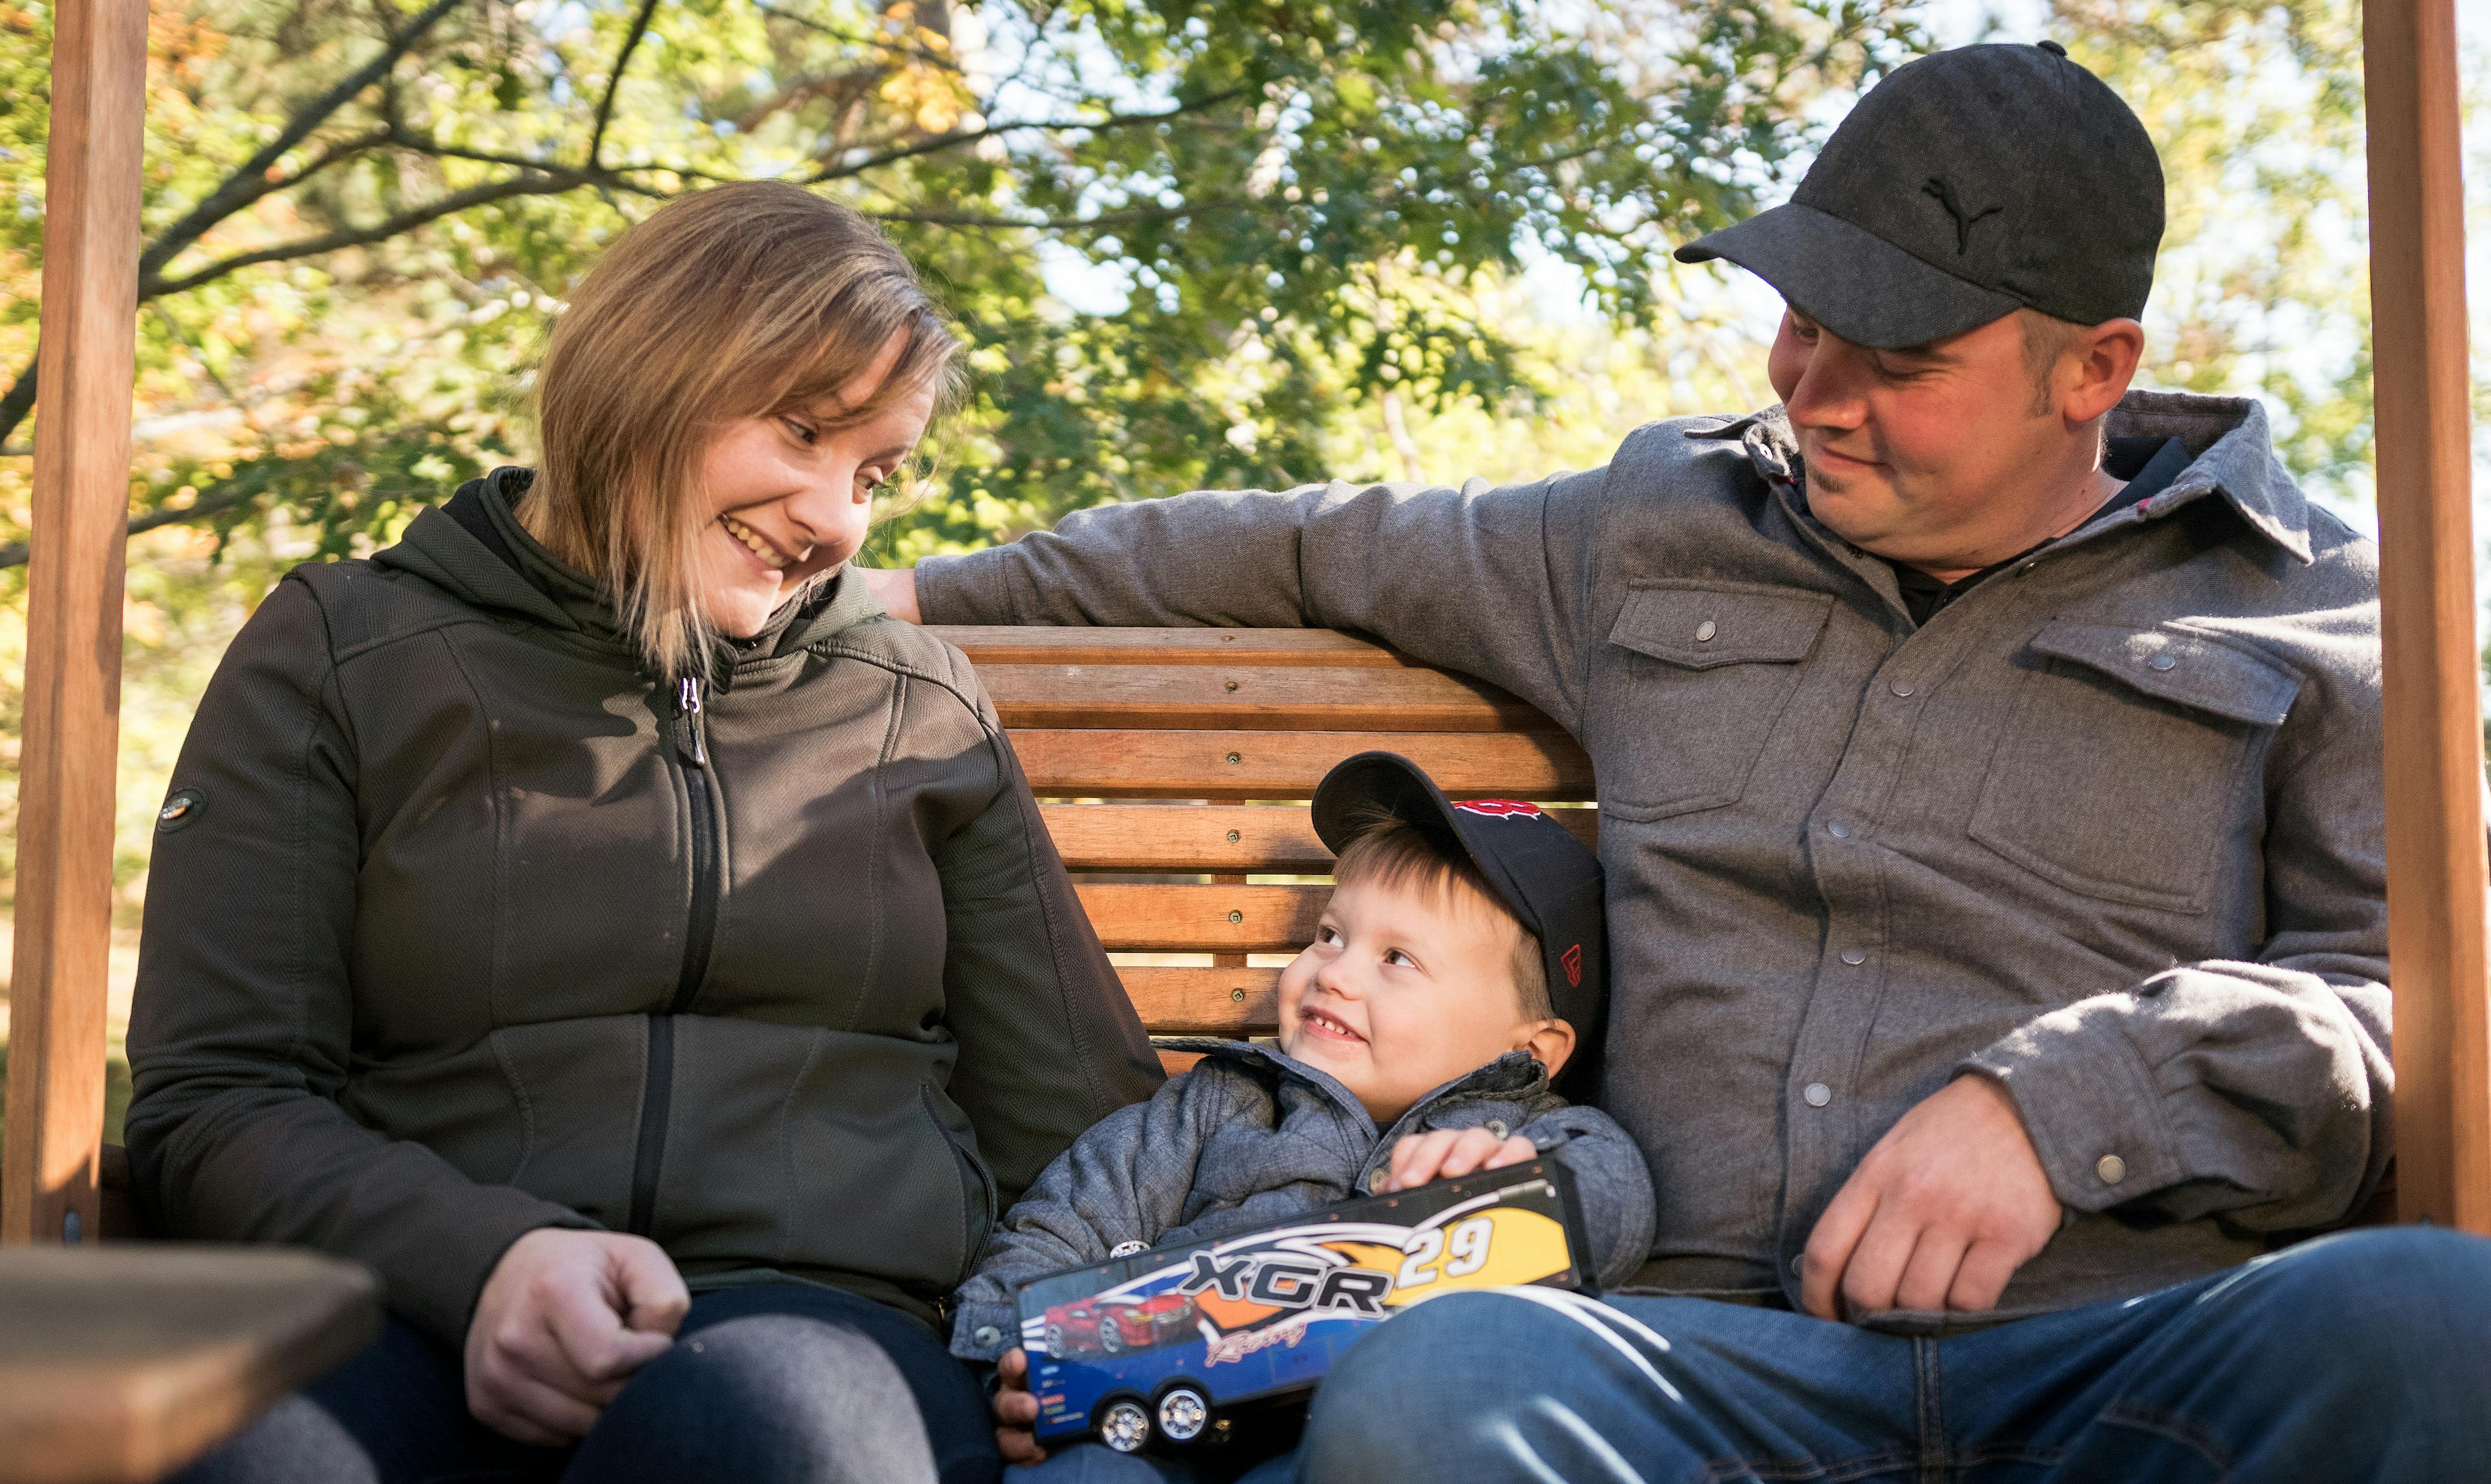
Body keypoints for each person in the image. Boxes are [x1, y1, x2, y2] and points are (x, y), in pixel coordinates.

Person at [862, 41, 2491, 1481]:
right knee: (1440, 1378)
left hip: (2119, 1355)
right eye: (1803, 328)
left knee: (2428, 1314)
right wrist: (897, 594)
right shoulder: (1657, 531)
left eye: (1904, 364)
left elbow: (2415, 997)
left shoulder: (2327, 608)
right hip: (1693, 1372)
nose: (1818, 396)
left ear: (2093, 370)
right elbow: (1294, 551)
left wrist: (2074, 1100)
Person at [123, 182, 1162, 1484]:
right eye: (802, 433)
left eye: (873, 474)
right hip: (412, 1301)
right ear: (652, 374)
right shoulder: (348, 654)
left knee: (769, 1420)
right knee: (268, 1454)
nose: (837, 518)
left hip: (828, 1322)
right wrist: (481, 1257)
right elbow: (218, 1100)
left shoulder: (917, 705)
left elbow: (1087, 1124)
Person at [956, 752, 1654, 1482]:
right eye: (1329, 933)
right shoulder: (1222, 1104)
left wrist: (1512, 1180)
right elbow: (1055, 1226)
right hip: (1166, 1426)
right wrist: (1010, 1355)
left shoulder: (1521, 1133)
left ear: (1532, 1047)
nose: (1336, 972)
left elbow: (1615, 1198)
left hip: (1379, 1436)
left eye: (1398, 958)